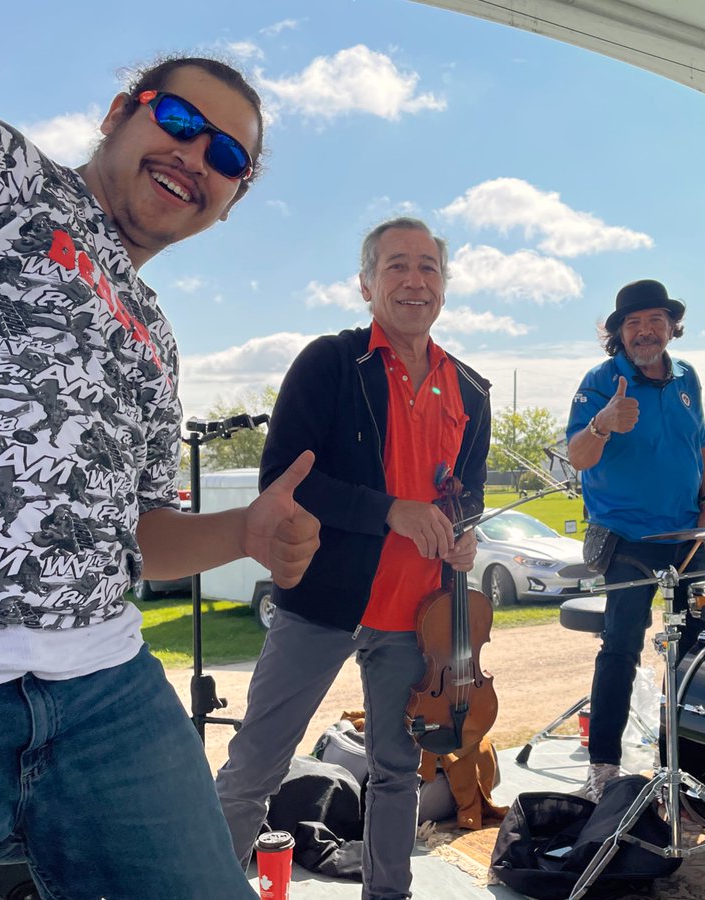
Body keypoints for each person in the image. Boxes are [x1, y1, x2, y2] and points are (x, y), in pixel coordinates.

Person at [0, 57, 322, 899]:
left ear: (230, 201)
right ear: (121, 110)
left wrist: (243, 535)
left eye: (229, 158)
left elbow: (141, 539)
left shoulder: (156, 335)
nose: (197, 157)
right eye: (180, 121)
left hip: (107, 691)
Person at [215, 217, 491, 899]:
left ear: (444, 287)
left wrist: (465, 533)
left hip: (416, 618)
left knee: (398, 771)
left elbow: (470, 494)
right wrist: (390, 510)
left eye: (428, 267)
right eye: (396, 266)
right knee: (256, 764)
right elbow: (286, 476)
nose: (414, 280)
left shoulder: (473, 390)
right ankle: (207, 885)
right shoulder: (331, 362)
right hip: (320, 602)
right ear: (367, 283)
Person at [566, 278, 705, 801]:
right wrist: (604, 422)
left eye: (655, 320)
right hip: (628, 536)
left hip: (688, 535)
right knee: (622, 647)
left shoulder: (687, 377)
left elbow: (699, 444)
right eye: (633, 323)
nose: (645, 331)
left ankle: (691, 760)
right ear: (618, 334)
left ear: (672, 327)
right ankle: (603, 767)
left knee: (701, 648)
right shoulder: (600, 380)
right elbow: (578, 457)